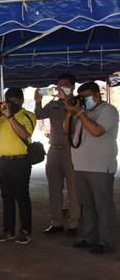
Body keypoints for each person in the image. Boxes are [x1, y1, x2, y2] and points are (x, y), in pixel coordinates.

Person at [64, 81, 119, 254]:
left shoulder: (108, 110)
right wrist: (70, 113)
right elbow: (67, 132)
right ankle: (89, 237)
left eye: (87, 97)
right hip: (81, 166)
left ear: (97, 94)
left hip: (101, 167)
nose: (85, 100)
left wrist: (79, 112)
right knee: (86, 205)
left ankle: (106, 242)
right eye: (82, 98)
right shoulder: (84, 113)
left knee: (103, 206)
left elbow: (97, 131)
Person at [0, 88, 37, 245]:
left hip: (21, 161)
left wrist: (10, 116)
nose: (11, 104)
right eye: (9, 101)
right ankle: (8, 230)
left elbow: (24, 134)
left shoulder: (28, 115)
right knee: (6, 198)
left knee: (22, 197)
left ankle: (25, 231)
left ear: (22, 101)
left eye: (14, 102)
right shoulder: (1, 117)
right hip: (4, 162)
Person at [34, 74, 80, 235]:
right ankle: (56, 223)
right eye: (59, 85)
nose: (61, 88)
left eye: (65, 85)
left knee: (74, 189)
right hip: (54, 149)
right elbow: (39, 115)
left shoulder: (78, 104)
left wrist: (67, 100)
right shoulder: (53, 104)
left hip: (72, 149)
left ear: (72, 87)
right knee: (54, 188)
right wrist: (38, 100)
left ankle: (73, 224)